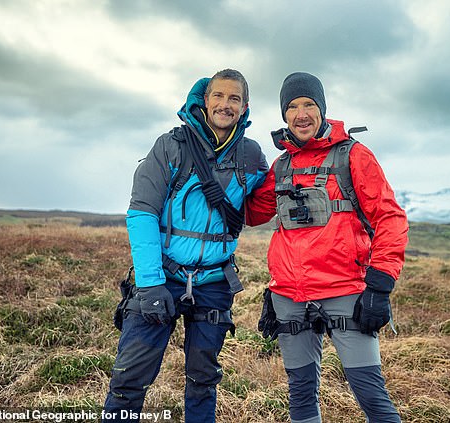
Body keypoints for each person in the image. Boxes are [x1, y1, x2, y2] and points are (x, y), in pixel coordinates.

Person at [103, 69, 268, 423]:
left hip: (214, 283)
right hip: (162, 277)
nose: (225, 104)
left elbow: (263, 205)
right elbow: (142, 213)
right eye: (218, 96)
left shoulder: (252, 155)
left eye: (234, 98)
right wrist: (149, 284)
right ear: (204, 101)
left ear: (245, 107)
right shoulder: (171, 145)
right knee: (129, 379)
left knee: (203, 379)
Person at [246, 72, 408, 423]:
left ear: (322, 109)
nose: (301, 114)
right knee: (301, 396)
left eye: (308, 104)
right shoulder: (282, 165)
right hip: (289, 296)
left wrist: (380, 285)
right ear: (284, 115)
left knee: (372, 396)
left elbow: (390, 218)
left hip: (346, 292)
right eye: (292, 107)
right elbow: (252, 212)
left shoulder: (354, 156)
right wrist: (228, 173)